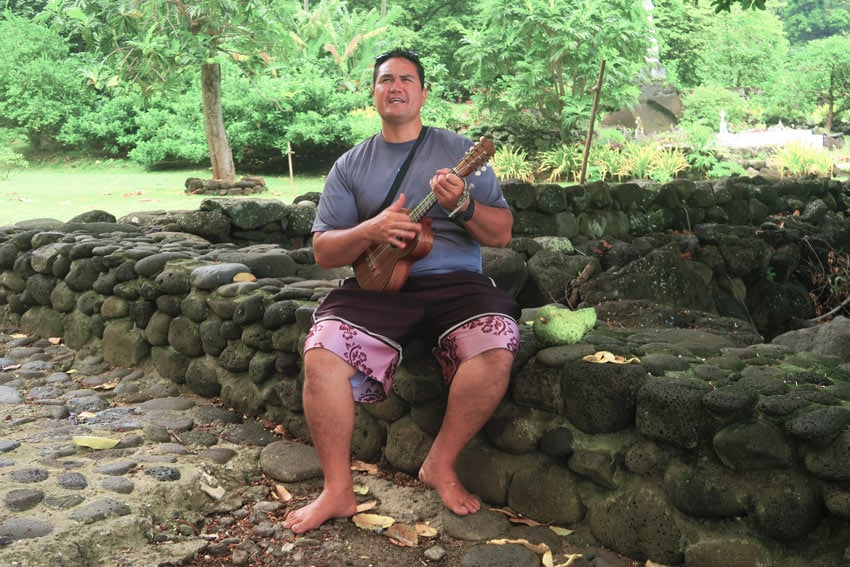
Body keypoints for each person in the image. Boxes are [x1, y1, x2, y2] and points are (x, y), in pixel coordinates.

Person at [282, 48, 521, 534]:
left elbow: (501, 235)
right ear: (373, 92)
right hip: (378, 286)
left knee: (496, 343)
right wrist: (370, 230)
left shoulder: (461, 155)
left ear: (423, 93)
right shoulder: (350, 165)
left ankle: (440, 463)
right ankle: (337, 490)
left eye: (406, 79)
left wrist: (466, 206)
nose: (395, 86)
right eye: (385, 79)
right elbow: (325, 252)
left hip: (456, 284)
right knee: (322, 353)